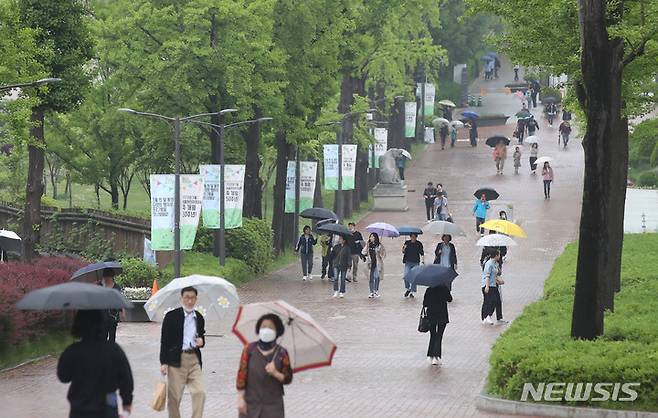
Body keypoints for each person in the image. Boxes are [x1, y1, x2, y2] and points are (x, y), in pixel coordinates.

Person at [57, 310, 133, 418]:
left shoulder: (72, 351)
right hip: (109, 403)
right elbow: (126, 379)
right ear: (103, 324)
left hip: (80, 406)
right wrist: (127, 401)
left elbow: (63, 377)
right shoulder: (114, 350)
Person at [160, 286, 206, 418]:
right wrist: (164, 362)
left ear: (196, 299)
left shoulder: (199, 317)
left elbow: (201, 335)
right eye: (187, 298)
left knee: (199, 393)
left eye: (192, 298)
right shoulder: (171, 317)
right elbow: (165, 341)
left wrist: (202, 341)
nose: (190, 301)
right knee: (174, 398)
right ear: (181, 299)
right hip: (176, 360)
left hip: (194, 359)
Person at [236, 313, 293, 418]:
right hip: (250, 404)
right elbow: (241, 375)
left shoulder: (282, 353)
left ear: (277, 331)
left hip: (273, 406)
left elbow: (288, 378)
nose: (266, 330)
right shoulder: (249, 349)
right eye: (263, 327)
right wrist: (240, 399)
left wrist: (275, 373)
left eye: (271, 327)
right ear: (258, 329)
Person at [422, 285, 452, 366]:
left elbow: (425, 303)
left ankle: (430, 354)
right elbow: (450, 299)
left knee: (433, 335)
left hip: (431, 315)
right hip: (442, 315)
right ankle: (436, 356)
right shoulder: (444, 288)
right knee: (439, 335)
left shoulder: (429, 289)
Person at [100, 266, 123, 342]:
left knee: (112, 336)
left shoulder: (117, 287)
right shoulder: (100, 286)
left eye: (108, 277)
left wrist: (122, 312)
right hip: (102, 315)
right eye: (105, 276)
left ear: (112, 277)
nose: (106, 279)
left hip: (113, 315)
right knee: (103, 335)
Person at [481, 250, 503, 325]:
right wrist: (487, 287)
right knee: (490, 301)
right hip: (488, 285)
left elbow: (494, 275)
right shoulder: (489, 264)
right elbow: (487, 276)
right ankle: (486, 316)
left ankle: (488, 316)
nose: (500, 256)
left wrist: (499, 281)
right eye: (499, 255)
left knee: (497, 301)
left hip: (493, 285)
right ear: (496, 255)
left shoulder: (495, 264)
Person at [362, 232, 386, 298]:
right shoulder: (368, 244)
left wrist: (379, 250)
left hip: (377, 263)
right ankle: (371, 292)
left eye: (372, 237)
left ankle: (376, 290)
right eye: (370, 236)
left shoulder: (379, 245)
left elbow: (383, 255)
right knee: (371, 278)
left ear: (376, 238)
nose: (371, 238)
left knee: (377, 277)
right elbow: (363, 252)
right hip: (370, 263)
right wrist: (366, 251)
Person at [402, 233, 424, 298]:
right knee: (406, 276)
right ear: (410, 237)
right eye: (412, 237)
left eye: (414, 237)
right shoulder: (407, 243)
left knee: (414, 277)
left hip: (416, 263)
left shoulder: (419, 244)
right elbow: (403, 251)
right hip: (408, 262)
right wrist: (404, 248)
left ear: (416, 237)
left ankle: (412, 292)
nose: (413, 238)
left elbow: (422, 253)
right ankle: (408, 288)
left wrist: (423, 260)